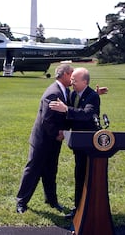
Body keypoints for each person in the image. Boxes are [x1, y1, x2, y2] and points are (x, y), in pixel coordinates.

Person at [15, 64, 74, 214]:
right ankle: (21, 202)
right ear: (65, 74)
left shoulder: (65, 91)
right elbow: (46, 120)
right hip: (42, 141)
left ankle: (51, 200)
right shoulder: (53, 93)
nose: (73, 78)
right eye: (72, 74)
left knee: (50, 171)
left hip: (54, 140)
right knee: (33, 171)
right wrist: (58, 134)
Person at [49, 67, 101, 218]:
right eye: (71, 80)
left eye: (75, 81)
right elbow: (69, 117)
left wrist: (66, 109)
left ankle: (90, 207)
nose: (71, 83)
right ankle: (78, 208)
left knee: (88, 175)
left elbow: (87, 115)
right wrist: (62, 130)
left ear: (85, 82)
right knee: (79, 174)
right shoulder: (73, 94)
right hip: (78, 143)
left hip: (90, 144)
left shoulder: (93, 96)